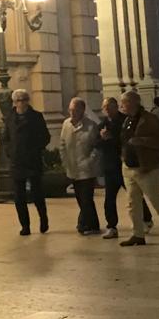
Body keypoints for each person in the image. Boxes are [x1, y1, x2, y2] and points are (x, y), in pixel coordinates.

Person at [118, 90, 159, 246]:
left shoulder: (149, 119)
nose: (121, 106)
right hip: (129, 166)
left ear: (133, 103)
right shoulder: (127, 120)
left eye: (124, 103)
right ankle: (137, 234)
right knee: (133, 202)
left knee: (155, 199)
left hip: (146, 167)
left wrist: (142, 140)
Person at [8, 89, 52, 235]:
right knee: (19, 197)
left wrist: (35, 148)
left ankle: (43, 219)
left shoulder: (36, 117)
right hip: (17, 162)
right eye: (19, 100)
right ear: (14, 102)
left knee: (37, 193)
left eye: (24, 99)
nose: (22, 102)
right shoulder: (9, 117)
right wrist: (10, 152)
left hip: (32, 160)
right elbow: (7, 138)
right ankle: (25, 226)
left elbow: (46, 137)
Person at [58, 97, 102, 235]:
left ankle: (82, 224)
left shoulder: (91, 126)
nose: (72, 112)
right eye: (70, 109)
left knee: (86, 197)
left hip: (87, 169)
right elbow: (62, 144)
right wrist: (65, 162)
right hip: (73, 168)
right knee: (81, 197)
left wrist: (89, 161)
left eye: (75, 109)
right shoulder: (66, 124)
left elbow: (96, 148)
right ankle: (93, 224)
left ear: (82, 110)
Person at [95, 95, 130, 238]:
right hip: (109, 166)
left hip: (123, 164)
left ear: (116, 107)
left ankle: (145, 219)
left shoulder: (125, 121)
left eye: (109, 107)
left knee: (133, 195)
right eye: (105, 108)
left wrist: (112, 138)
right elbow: (96, 144)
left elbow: (127, 141)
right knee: (109, 198)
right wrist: (102, 139)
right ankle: (112, 226)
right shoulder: (102, 125)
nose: (107, 110)